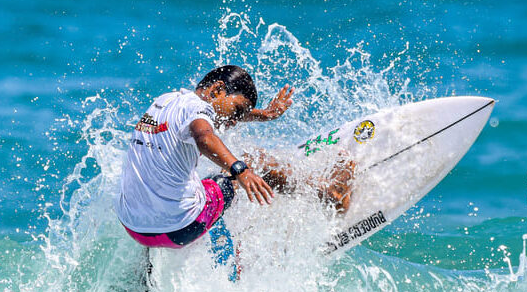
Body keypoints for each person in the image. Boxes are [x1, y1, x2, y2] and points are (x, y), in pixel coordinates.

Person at [115, 65, 352, 252]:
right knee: (249, 160)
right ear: (217, 90)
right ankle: (330, 194)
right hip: (181, 230)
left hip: (135, 228)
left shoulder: (166, 101)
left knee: (175, 189)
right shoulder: (199, 110)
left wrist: (265, 115)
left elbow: (208, 122)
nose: (236, 121)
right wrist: (241, 170)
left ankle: (146, 276)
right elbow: (204, 136)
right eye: (238, 110)